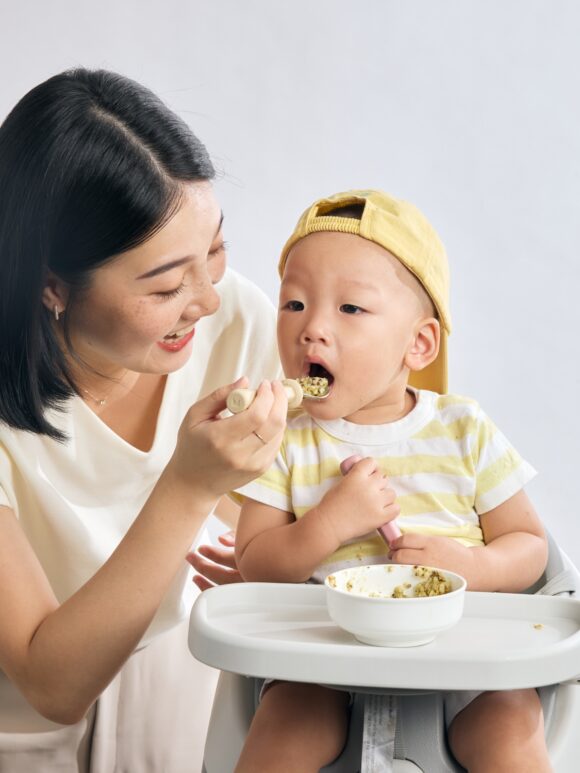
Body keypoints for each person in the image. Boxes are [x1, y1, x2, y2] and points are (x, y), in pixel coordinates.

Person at [0, 68, 290, 772]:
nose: (208, 301)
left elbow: (273, 552)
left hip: (180, 683)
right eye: (165, 285)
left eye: (214, 251)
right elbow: (50, 682)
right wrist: (189, 487)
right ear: (51, 284)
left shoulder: (238, 319)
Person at [231, 190, 552, 773]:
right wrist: (329, 524)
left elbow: (531, 548)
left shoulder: (464, 429)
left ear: (419, 343)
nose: (312, 330)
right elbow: (254, 564)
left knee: (509, 723)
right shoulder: (286, 438)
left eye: (350, 309)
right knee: (287, 726)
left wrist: (472, 566)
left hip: (465, 654)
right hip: (323, 661)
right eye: (294, 304)